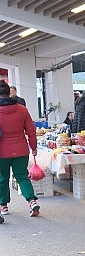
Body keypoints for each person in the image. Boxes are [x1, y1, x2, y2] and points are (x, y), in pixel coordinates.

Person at [0, 80, 40, 218]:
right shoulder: (22, 109)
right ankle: (32, 201)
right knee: (22, 177)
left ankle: (3, 205)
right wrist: (33, 147)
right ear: (9, 93)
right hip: (21, 150)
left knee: (2, 179)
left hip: (1, 152)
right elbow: (31, 130)